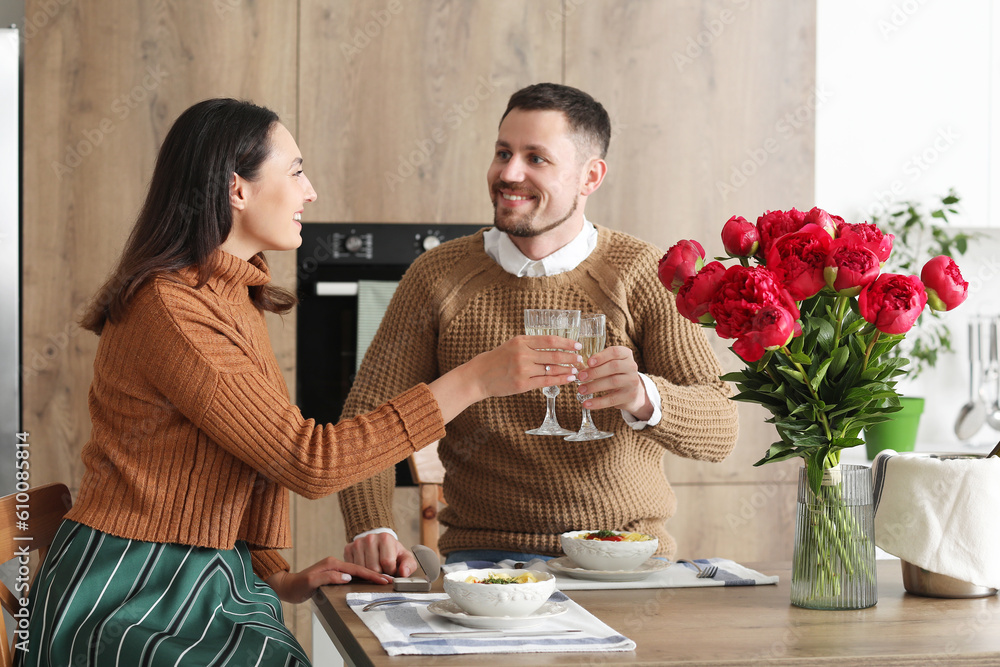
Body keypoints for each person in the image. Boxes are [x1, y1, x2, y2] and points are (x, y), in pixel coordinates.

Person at [15, 98, 580, 667]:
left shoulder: (230, 294)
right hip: (128, 595)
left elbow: (239, 465)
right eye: (296, 171)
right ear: (237, 190)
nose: (310, 192)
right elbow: (307, 460)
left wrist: (278, 580)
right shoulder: (172, 309)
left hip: (202, 579)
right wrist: (476, 379)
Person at [339, 83, 740, 576]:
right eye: (503, 153)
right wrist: (371, 526)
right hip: (485, 562)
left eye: (536, 158)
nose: (509, 173)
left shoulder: (642, 272)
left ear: (589, 176)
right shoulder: (437, 277)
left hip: (626, 556)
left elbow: (721, 430)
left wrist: (644, 396)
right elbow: (368, 419)